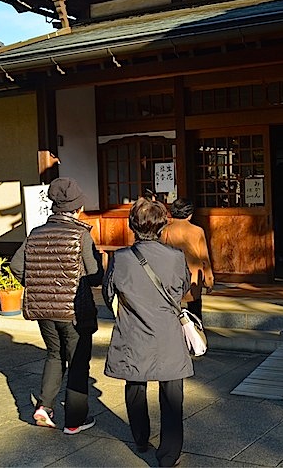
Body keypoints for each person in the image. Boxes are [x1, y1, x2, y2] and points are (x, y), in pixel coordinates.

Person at [103, 197, 192, 467]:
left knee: (135, 384)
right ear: (162, 226)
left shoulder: (119, 258)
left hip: (134, 331)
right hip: (167, 332)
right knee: (172, 393)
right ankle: (169, 454)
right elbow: (183, 287)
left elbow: (109, 294)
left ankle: (141, 438)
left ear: (133, 226)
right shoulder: (176, 257)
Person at [10, 177, 103, 434]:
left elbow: (16, 266)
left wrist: (38, 285)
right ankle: (75, 420)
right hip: (73, 311)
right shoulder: (80, 234)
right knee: (77, 361)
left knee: (53, 355)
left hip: (43, 309)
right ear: (76, 207)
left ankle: (44, 407)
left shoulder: (35, 234)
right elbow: (95, 275)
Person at [160, 198, 214, 321]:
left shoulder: (165, 230)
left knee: (172, 308)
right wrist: (209, 279)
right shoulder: (197, 231)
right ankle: (196, 333)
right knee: (194, 308)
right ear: (189, 215)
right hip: (193, 274)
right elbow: (204, 257)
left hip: (171, 274)